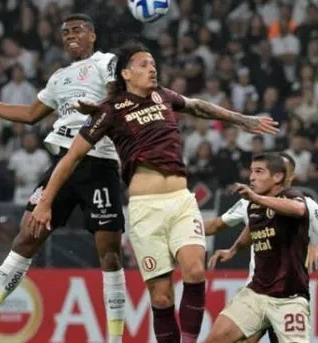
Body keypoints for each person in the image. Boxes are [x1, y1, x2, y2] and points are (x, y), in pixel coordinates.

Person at [28, 40, 278, 343]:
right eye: (144, 64)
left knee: (195, 271)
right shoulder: (109, 111)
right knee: (161, 298)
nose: (152, 68)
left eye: (153, 64)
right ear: (126, 74)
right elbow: (70, 158)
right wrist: (44, 202)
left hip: (181, 201)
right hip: (145, 208)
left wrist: (243, 120)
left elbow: (198, 105)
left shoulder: (163, 96)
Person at [0, 14, 129, 343]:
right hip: (61, 163)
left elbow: (117, 99)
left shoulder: (106, 62)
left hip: (99, 161)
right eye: (65, 31)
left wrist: (96, 109)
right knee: (27, 234)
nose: (70, 36)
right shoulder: (58, 77)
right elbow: (29, 115)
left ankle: (114, 339)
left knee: (109, 253)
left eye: (77, 30)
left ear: (93, 36)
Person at [206, 152, 318, 342]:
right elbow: (253, 227)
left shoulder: (295, 197)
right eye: (252, 172)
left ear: (280, 176)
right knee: (216, 338)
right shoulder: (252, 204)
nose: (252, 177)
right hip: (256, 292)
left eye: (259, 172)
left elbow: (299, 209)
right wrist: (234, 249)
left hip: (288, 299)